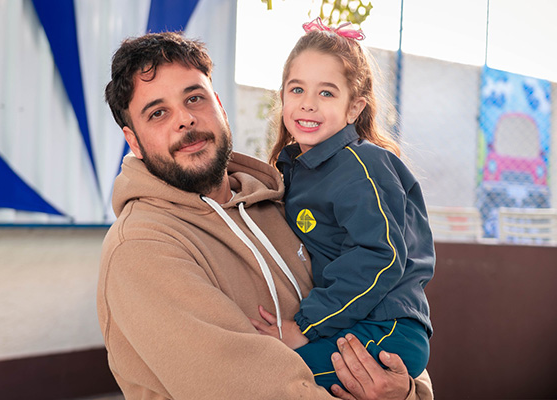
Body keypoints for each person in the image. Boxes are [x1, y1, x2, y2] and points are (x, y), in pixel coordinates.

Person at [97, 30, 433, 399]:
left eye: (195, 98)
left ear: (220, 106)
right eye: (158, 112)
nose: (185, 120)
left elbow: (381, 330)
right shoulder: (144, 247)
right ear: (134, 142)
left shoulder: (279, 202)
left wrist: (405, 394)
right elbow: (245, 389)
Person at [250, 19, 435, 392]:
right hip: (356, 320)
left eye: (327, 93)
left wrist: (306, 326)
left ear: (355, 108)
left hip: (386, 328)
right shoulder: (298, 168)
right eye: (297, 89)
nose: (308, 103)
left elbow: (379, 256)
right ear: (282, 97)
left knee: (272, 380)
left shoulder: (362, 167)